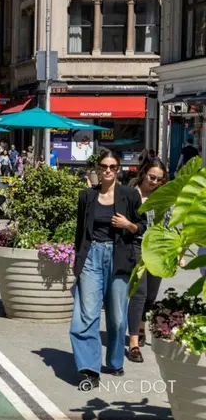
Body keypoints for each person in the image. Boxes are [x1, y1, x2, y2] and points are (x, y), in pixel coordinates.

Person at [70, 149, 147, 391]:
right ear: (98, 168)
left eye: (113, 167)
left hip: (119, 257)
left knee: (116, 317)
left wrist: (129, 224)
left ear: (118, 170)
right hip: (92, 255)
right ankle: (89, 369)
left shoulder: (129, 196)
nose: (108, 171)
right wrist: (78, 260)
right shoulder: (87, 196)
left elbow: (142, 226)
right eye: (104, 166)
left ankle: (114, 361)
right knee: (86, 315)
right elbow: (80, 231)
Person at [126, 159, 168, 363]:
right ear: (143, 174)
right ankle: (133, 343)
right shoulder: (130, 193)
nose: (155, 182)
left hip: (158, 249)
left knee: (151, 295)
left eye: (159, 179)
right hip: (136, 247)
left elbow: (170, 224)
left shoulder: (163, 197)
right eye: (152, 177)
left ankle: (141, 328)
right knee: (139, 294)